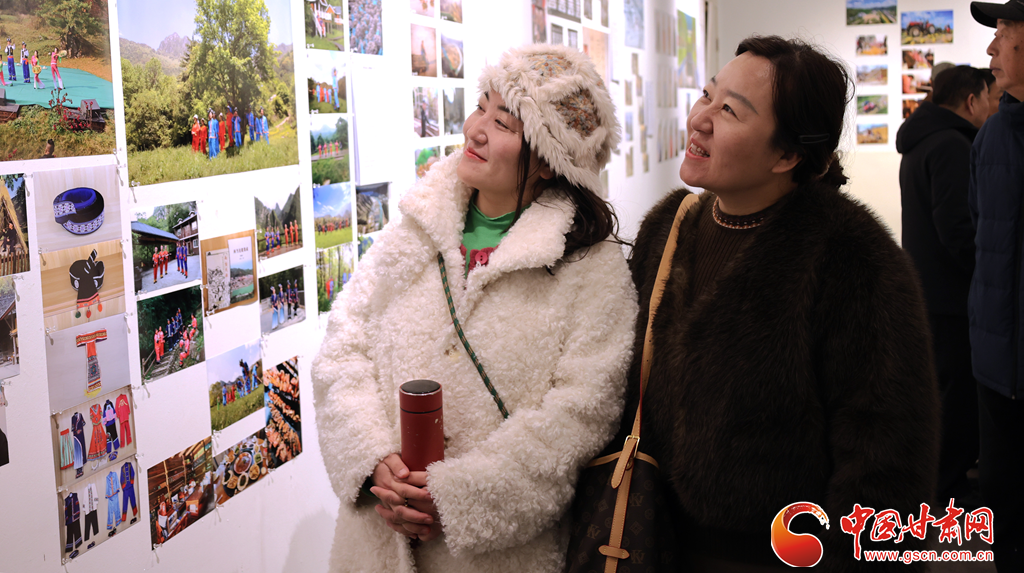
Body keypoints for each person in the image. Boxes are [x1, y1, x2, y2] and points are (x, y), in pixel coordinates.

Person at [610, 36, 938, 571]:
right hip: (650, 539)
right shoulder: (669, 228)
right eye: (708, 95)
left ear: (787, 155)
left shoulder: (851, 256)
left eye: (731, 112)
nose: (700, 120)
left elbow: (887, 459)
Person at [312, 44, 636, 573]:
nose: (476, 129)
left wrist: (461, 496)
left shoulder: (589, 267)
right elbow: (343, 347)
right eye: (481, 106)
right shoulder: (419, 225)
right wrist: (372, 461)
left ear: (549, 160)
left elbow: (581, 414)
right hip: (376, 545)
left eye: (503, 122)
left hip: (497, 557)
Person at [896, 64, 995, 504]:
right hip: (951, 295)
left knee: (941, 394)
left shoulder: (923, 140)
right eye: (989, 98)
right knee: (956, 400)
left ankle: (941, 481)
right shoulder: (952, 145)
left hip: (928, 289)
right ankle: (948, 486)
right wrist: (987, 271)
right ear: (972, 101)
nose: (992, 107)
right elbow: (957, 228)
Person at [969, 0, 1024, 571]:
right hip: (996, 358)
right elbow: (978, 228)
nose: (991, 50)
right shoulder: (991, 136)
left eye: (1004, 36)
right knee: (1003, 508)